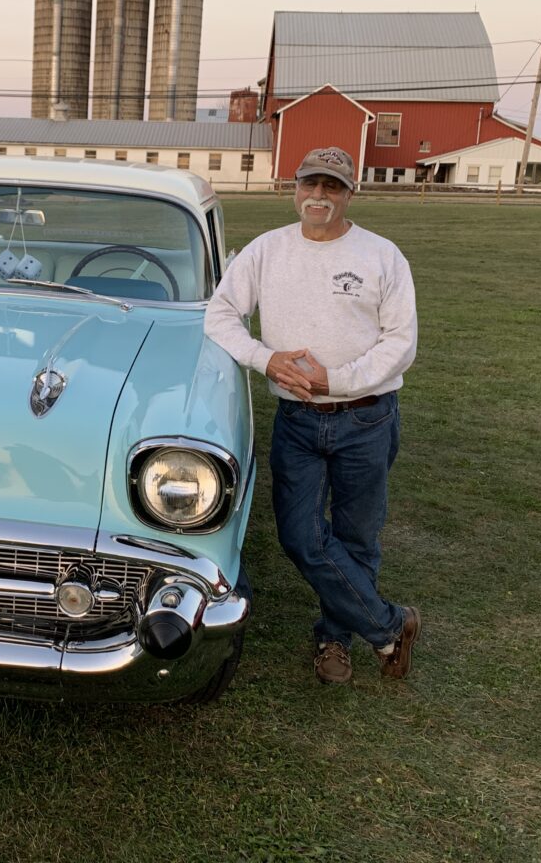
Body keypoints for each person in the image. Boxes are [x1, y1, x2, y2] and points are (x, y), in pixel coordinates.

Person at [204, 147, 420, 684]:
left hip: (365, 417)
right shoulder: (265, 251)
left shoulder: (382, 256)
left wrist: (335, 380)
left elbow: (401, 343)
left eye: (332, 187)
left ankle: (333, 640)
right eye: (310, 184)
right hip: (298, 420)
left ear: (350, 193)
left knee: (356, 535)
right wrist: (266, 358)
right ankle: (389, 625)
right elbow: (221, 314)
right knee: (300, 535)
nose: (318, 196)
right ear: (293, 187)